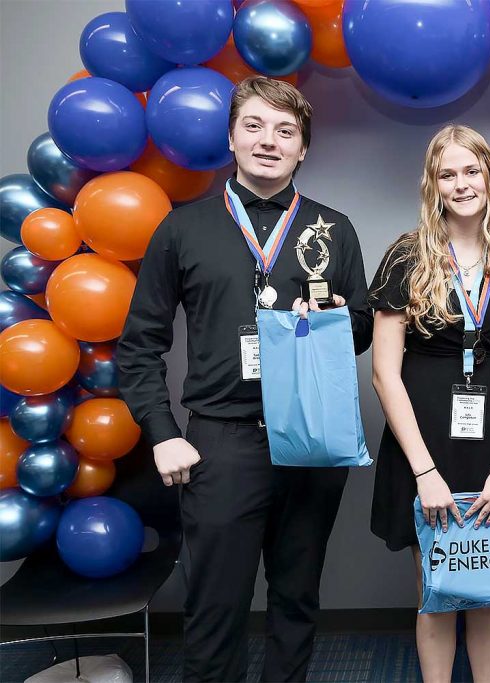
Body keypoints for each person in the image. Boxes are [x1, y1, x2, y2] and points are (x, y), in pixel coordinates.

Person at [117, 76, 373, 682]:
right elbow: (139, 345)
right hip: (221, 442)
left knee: (296, 601)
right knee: (214, 611)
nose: (269, 141)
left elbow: (362, 328)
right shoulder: (183, 229)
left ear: (302, 148)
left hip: (312, 442)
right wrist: (162, 432)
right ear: (232, 136)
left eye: (286, 131)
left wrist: (331, 323)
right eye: (254, 126)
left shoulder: (334, 230)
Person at [368, 124, 490, 683]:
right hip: (424, 444)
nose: (461, 183)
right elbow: (383, 372)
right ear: (434, 185)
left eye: (471, 170)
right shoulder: (406, 255)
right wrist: (423, 471)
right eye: (448, 173)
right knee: (437, 586)